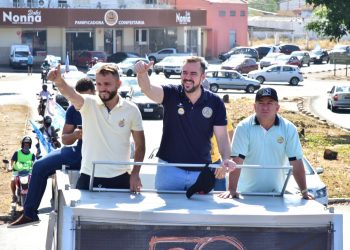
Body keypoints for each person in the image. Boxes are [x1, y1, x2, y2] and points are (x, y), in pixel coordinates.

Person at [135, 56, 235, 191]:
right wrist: (142, 74)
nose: (187, 77)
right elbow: (148, 89)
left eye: (193, 74)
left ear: (203, 77)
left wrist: (225, 159)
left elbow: (222, 137)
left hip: (201, 171)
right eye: (184, 73)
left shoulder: (215, 102)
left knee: (201, 213)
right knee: (167, 212)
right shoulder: (171, 93)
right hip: (169, 171)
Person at [10, 78, 95, 226]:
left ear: (94, 93)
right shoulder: (73, 108)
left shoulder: (102, 107)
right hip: (79, 152)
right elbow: (65, 139)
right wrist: (75, 134)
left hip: (97, 154)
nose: (83, 102)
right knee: (38, 166)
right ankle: (29, 213)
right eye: (80, 98)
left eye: (87, 97)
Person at [47, 64, 145, 191]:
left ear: (118, 84)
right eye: (99, 84)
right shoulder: (88, 103)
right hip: (89, 176)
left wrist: (136, 173)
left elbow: (140, 146)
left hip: (121, 177)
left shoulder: (132, 109)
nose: (102, 88)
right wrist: (59, 81)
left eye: (107, 84)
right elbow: (70, 94)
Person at [219, 88, 314, 200]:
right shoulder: (243, 127)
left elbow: (296, 161)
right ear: (254, 107)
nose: (265, 107)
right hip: (245, 195)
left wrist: (304, 192)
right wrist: (232, 190)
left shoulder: (289, 128)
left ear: (277, 107)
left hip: (277, 194)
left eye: (270, 103)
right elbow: (237, 161)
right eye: (261, 103)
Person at [8, 136, 35, 203]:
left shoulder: (32, 154)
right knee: (12, 180)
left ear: (30, 144)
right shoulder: (17, 152)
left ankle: (32, 197)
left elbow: (35, 163)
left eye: (28, 143)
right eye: (25, 143)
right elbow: (12, 161)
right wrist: (10, 167)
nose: (26, 145)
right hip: (17, 171)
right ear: (22, 144)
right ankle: (14, 195)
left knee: (34, 182)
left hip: (28, 172)